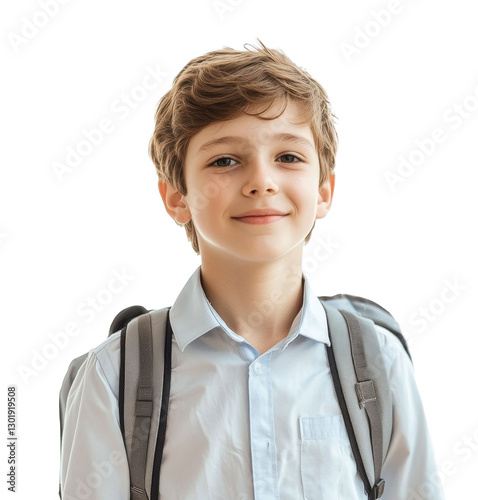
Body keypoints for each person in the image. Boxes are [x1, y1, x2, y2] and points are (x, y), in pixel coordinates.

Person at [60, 41, 445, 499]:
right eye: (225, 160)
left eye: (289, 157)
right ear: (177, 197)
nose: (262, 180)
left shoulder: (379, 362)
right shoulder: (114, 374)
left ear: (323, 190)